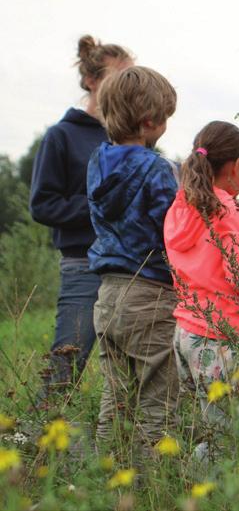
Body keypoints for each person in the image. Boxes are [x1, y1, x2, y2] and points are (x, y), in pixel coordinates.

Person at [30, 35, 133, 401]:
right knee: (64, 371)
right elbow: (43, 204)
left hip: (131, 269)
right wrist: (100, 205)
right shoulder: (62, 136)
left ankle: (124, 452)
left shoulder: (130, 139)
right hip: (83, 267)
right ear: (92, 81)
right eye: (119, 76)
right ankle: (33, 450)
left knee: (129, 376)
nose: (126, 86)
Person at [88, 66, 179, 449]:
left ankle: (107, 478)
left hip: (108, 294)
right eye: (165, 119)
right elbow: (170, 231)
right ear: (149, 122)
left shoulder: (97, 161)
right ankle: (150, 486)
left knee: (115, 398)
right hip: (150, 293)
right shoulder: (157, 169)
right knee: (158, 398)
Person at [164, 121, 239, 451]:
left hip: (186, 333)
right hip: (220, 338)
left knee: (213, 428)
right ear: (236, 166)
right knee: (234, 438)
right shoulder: (227, 210)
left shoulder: (181, 207)